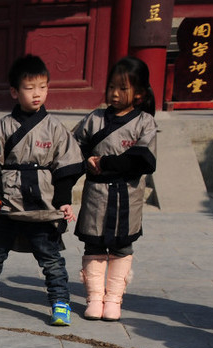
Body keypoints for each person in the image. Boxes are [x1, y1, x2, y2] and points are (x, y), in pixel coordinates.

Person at [0, 54, 84, 326]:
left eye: (43, 87)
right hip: (9, 201)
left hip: (42, 204)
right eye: (30, 87)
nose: (37, 94)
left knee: (50, 256)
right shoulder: (3, 126)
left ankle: (60, 301)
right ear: (14, 91)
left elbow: (66, 167)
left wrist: (64, 201)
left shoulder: (55, 127)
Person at [72, 57, 157, 321]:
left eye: (123, 88)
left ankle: (114, 298)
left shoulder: (145, 122)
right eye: (111, 87)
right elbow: (72, 145)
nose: (115, 94)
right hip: (96, 194)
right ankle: (95, 297)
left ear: (140, 94)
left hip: (127, 195)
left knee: (122, 246)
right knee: (93, 244)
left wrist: (105, 162)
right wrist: (86, 159)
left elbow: (143, 161)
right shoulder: (94, 118)